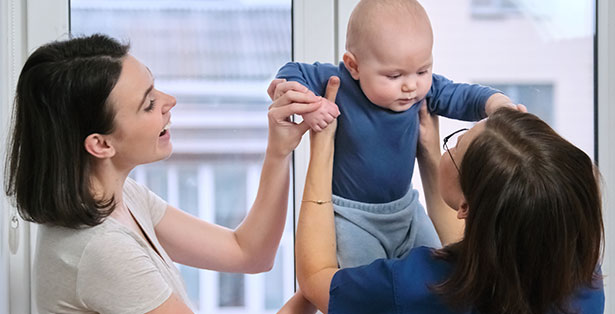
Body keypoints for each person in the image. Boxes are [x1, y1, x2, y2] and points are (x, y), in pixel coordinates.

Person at [4, 34, 334, 314]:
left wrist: (278, 151)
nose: (169, 101)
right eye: (148, 103)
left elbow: (248, 252)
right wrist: (324, 283)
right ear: (101, 144)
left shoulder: (121, 198)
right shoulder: (99, 250)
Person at [282, 102, 605, 313]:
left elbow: (316, 278)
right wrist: (430, 154)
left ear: (466, 206)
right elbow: (482, 248)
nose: (448, 148)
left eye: (457, 143)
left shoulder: (417, 286)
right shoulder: (583, 279)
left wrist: (322, 147)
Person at [276, 0, 523, 268]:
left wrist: (497, 105)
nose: (411, 86)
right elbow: (291, 72)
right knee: (363, 286)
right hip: (352, 218)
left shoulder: (422, 92)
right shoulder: (338, 82)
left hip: (407, 210)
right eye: (394, 76)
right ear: (354, 66)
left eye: (423, 71)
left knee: (443, 269)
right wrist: (311, 104)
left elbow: (464, 95)